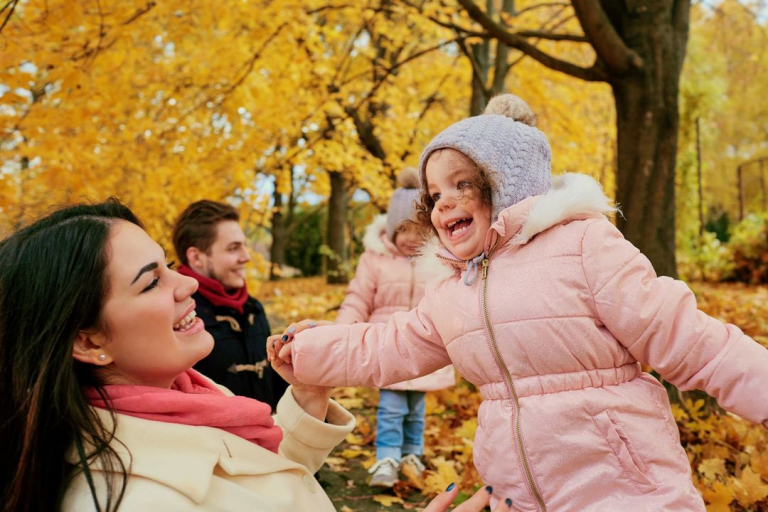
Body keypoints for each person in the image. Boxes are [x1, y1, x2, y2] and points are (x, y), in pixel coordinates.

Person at [272, 95, 768, 511]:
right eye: (435, 192)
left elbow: (685, 336)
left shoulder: (584, 246)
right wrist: (314, 350)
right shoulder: (451, 285)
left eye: (461, 184)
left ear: (506, 184)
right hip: (518, 492)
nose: (443, 202)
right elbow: (391, 345)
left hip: (621, 483)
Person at [0, 199, 508, 512]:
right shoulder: (135, 499)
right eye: (152, 280)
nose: (184, 285)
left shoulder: (182, 397)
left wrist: (308, 392)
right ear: (88, 341)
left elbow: (252, 479)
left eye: (168, 264)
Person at [336, 167, 455, 487]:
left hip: (424, 348)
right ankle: (387, 457)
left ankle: (411, 455)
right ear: (390, 230)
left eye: (418, 229)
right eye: (403, 230)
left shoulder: (441, 260)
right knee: (391, 407)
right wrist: (343, 329)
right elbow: (358, 298)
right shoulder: (375, 259)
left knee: (416, 410)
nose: (411, 239)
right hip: (387, 346)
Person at [172, 200, 288, 410]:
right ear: (197, 257)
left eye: (244, 246)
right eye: (233, 249)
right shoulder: (177, 319)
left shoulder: (253, 308)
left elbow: (271, 384)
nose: (246, 257)